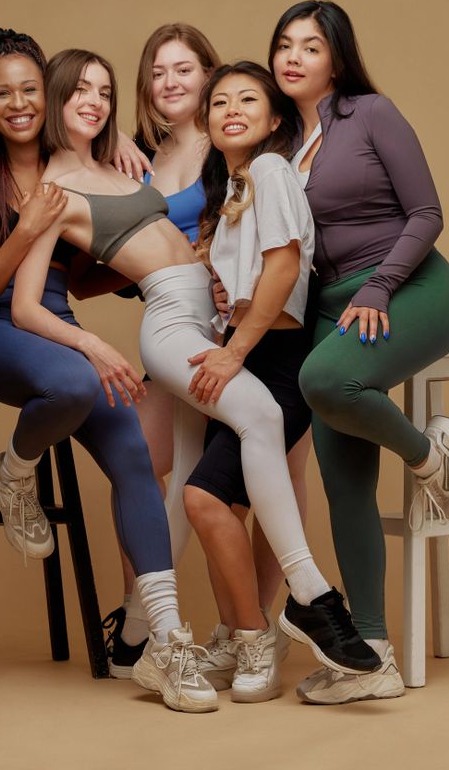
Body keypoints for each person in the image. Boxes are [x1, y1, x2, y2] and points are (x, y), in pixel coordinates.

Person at [10, 47, 383, 696]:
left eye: (105, 91)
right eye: (79, 93)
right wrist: (93, 347)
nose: (95, 102)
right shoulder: (53, 190)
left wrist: (118, 140)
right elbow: (25, 302)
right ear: (52, 103)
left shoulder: (143, 167)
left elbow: (185, 201)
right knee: (255, 417)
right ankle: (311, 595)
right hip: (172, 325)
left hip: (215, 322)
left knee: (194, 484)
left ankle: (152, 635)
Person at [0, 28, 217, 714]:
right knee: (74, 380)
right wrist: (27, 230)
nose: (19, 103)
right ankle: (14, 476)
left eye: (30, 90)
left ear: (49, 95)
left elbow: (93, 272)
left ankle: (166, 641)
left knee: (131, 447)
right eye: (2, 92)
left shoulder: (74, 169)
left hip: (56, 329)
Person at [267, 0, 449, 704]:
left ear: (337, 57)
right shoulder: (281, 140)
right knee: (340, 473)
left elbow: (428, 213)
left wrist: (382, 286)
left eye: (310, 46)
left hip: (409, 289)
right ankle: (373, 657)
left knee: (328, 381)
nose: (293, 57)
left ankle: (428, 459)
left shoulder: (371, 114)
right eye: (284, 45)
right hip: (332, 306)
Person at [103, 23, 314, 687]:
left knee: (258, 474)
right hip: (179, 330)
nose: (169, 82)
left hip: (244, 331)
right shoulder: (138, 158)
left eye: (184, 70)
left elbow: (260, 239)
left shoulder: (231, 150)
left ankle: (255, 625)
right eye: (157, 71)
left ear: (210, 77)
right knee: (145, 464)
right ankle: (145, 619)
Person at [179, 60, 318, 702]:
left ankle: (256, 637)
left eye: (248, 100)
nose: (231, 109)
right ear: (207, 122)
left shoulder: (269, 170)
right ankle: (241, 638)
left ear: (274, 118)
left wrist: (233, 351)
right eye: (220, 102)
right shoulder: (233, 188)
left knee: (204, 500)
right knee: (223, 512)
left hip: (275, 360)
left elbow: (284, 270)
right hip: (247, 353)